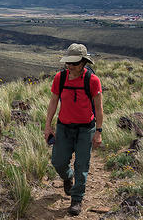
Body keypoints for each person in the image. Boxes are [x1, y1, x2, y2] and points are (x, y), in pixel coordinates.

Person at [44, 43, 103, 216]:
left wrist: (98, 131)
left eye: (74, 63)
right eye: (68, 63)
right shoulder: (60, 78)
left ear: (84, 63)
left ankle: (77, 199)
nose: (70, 66)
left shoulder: (92, 80)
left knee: (81, 165)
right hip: (64, 127)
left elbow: (99, 109)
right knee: (58, 162)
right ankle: (67, 176)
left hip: (86, 129)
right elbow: (53, 101)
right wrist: (48, 125)